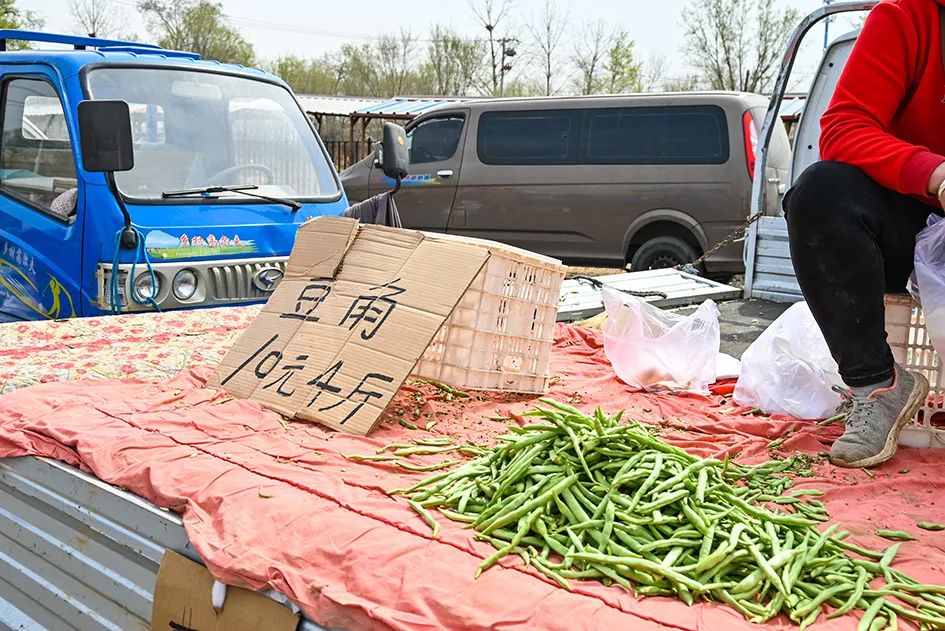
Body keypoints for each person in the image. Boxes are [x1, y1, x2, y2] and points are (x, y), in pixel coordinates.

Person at [785, 0, 945, 468]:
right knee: (819, 194)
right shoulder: (906, 17)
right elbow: (844, 127)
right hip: (905, 222)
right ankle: (878, 385)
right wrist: (935, 175)